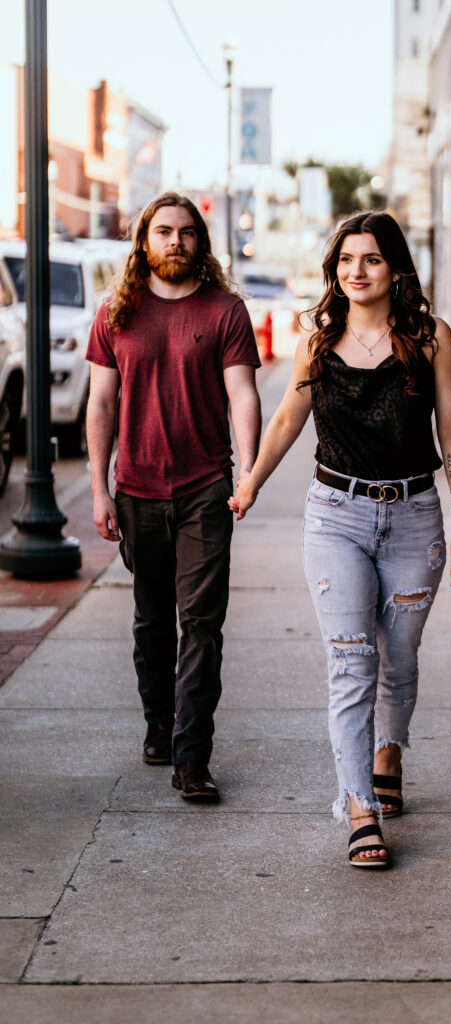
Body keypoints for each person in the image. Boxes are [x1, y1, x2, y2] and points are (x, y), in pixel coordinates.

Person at [230, 211, 451, 868]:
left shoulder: (429, 339)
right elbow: (286, 418)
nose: (356, 271)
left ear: (394, 267)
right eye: (345, 261)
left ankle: (387, 751)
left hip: (414, 518)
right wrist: (250, 481)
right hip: (334, 516)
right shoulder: (317, 339)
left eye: (369, 259)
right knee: (349, 665)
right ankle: (358, 805)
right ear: (333, 271)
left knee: (399, 655)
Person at [86, 192, 261, 802]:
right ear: (143, 242)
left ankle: (193, 757)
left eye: (187, 232)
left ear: (201, 243)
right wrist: (98, 490)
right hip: (136, 492)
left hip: (205, 492)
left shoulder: (225, 311)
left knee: (203, 627)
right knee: (153, 621)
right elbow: (101, 405)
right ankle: (158, 724)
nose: (176, 242)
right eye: (163, 232)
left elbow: (243, 394)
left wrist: (248, 474)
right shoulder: (116, 313)